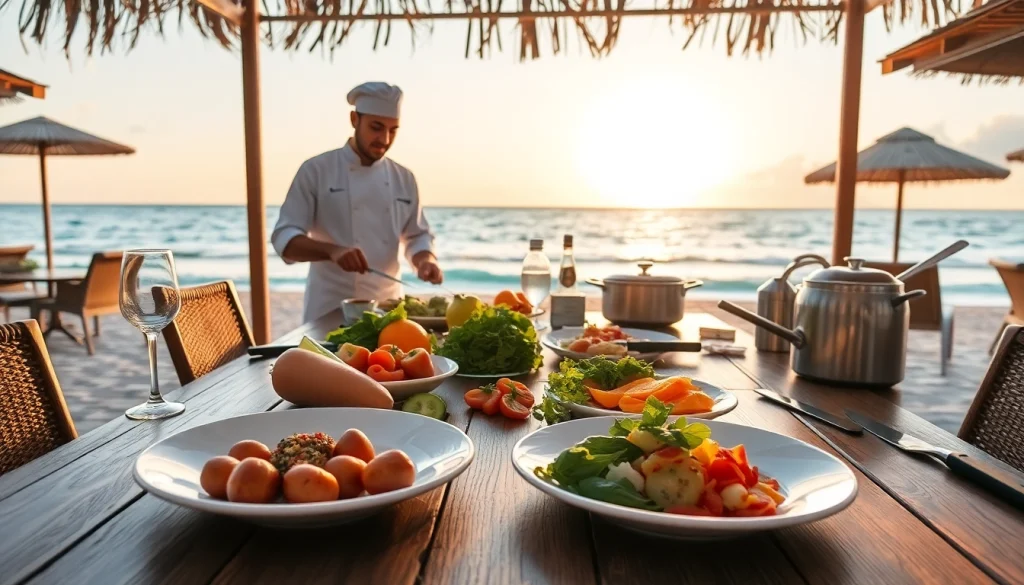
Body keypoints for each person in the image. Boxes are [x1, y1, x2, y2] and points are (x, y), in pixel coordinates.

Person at [272, 81, 443, 322]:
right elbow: (284, 238)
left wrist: (425, 261)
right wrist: (333, 251)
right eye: (376, 127)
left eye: (393, 130)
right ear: (354, 119)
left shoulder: (404, 178)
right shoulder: (316, 170)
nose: (384, 139)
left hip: (389, 310)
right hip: (329, 308)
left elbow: (417, 236)